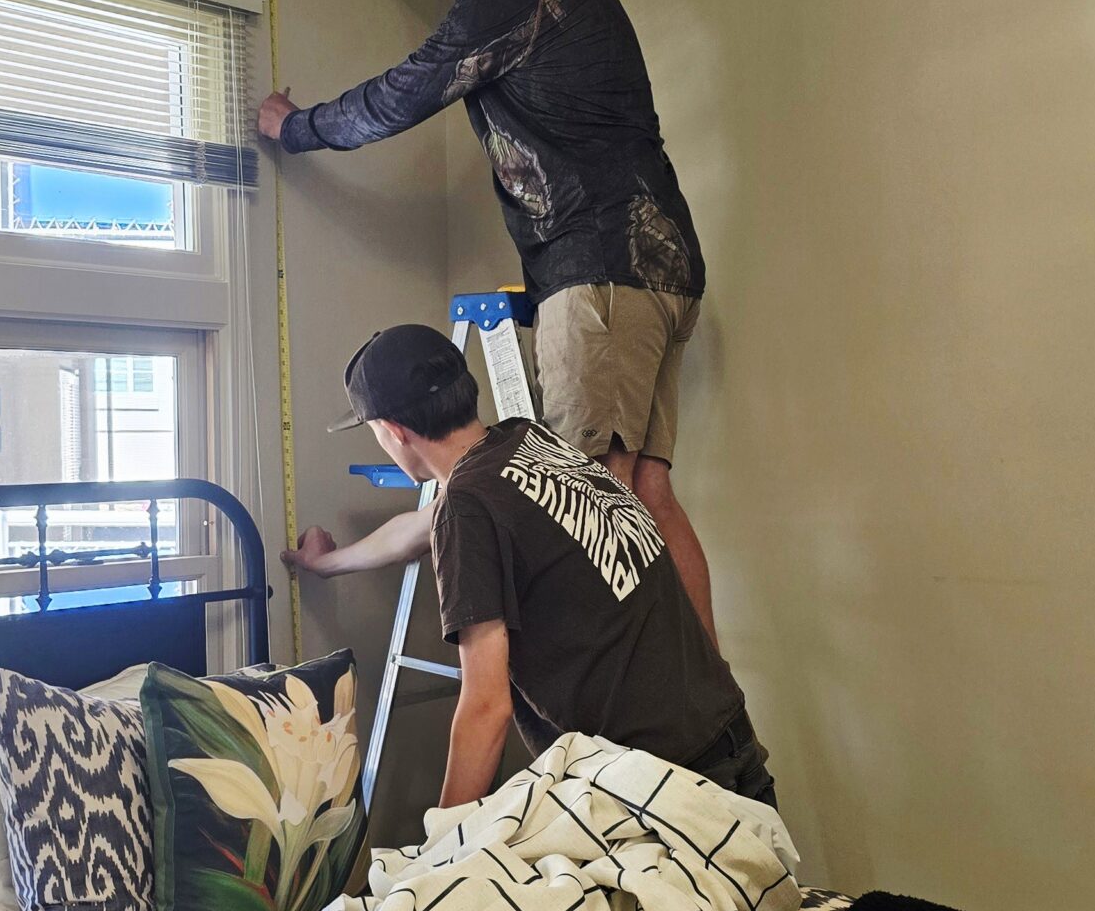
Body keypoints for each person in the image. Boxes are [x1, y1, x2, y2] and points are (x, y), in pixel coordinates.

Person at [258, 0, 719, 642]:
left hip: (597, 274)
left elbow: (401, 95)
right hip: (661, 265)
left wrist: (297, 128)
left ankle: (633, 710)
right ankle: (705, 685)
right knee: (646, 492)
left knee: (592, 508)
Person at [289, 323, 774, 814]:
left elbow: (486, 709)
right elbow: (421, 526)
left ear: (394, 431)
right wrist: (326, 563)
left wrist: (442, 844)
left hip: (667, 787)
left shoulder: (468, 505)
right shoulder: (527, 442)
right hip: (728, 736)